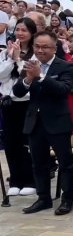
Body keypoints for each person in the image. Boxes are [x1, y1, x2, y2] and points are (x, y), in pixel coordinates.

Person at [12, 31, 73, 215]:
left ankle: (67, 200)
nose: (40, 50)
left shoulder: (65, 66)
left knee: (66, 163)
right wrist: (28, 79)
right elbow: (17, 92)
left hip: (58, 121)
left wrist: (40, 77)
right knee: (38, 164)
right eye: (37, 46)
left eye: (44, 47)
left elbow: (63, 90)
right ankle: (43, 198)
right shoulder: (30, 64)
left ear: (54, 48)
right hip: (35, 121)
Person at [0, 18, 37, 196]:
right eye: (18, 29)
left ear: (31, 33)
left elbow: (30, 76)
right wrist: (10, 58)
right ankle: (15, 179)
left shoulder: (36, 53)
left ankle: (30, 179)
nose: (20, 33)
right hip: (8, 103)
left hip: (27, 103)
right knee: (10, 141)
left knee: (25, 143)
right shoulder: (6, 51)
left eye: (25, 30)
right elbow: (1, 77)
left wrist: (18, 60)